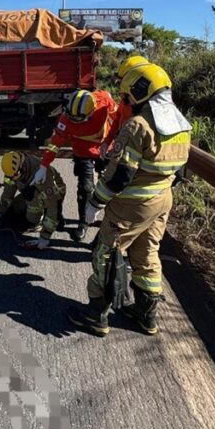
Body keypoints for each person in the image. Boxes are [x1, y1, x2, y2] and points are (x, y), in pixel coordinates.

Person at [67, 64, 191, 337]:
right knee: (147, 254)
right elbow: (181, 171)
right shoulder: (182, 124)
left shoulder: (138, 126)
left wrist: (94, 203)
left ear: (138, 93)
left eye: (126, 96)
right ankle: (146, 316)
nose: (124, 101)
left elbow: (119, 176)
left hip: (131, 204)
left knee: (105, 253)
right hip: (162, 199)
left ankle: (96, 316)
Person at [34, 88, 118, 242]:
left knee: (111, 187)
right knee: (85, 189)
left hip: (107, 149)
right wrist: (43, 166)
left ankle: (110, 223)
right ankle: (83, 223)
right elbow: (54, 144)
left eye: (78, 120)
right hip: (83, 152)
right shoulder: (65, 120)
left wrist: (114, 140)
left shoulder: (104, 101)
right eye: (71, 118)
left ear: (91, 112)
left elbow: (119, 119)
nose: (73, 122)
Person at [0, 150, 67, 250]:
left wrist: (45, 237)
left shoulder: (42, 176)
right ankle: (41, 215)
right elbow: (9, 190)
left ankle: (38, 223)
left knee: (32, 215)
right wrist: (0, 211)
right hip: (32, 190)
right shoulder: (12, 171)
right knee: (16, 207)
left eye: (15, 176)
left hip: (54, 194)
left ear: (23, 168)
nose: (12, 179)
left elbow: (54, 206)